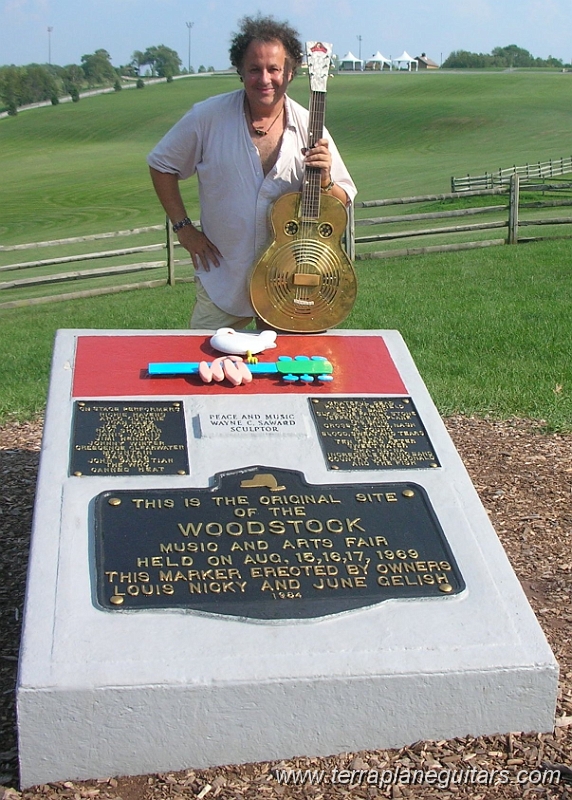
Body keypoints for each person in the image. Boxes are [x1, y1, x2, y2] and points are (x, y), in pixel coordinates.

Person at [147, 14, 357, 329]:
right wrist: (184, 229)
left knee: (290, 374)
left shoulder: (309, 126)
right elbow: (161, 164)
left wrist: (325, 180)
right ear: (240, 70)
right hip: (224, 278)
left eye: (274, 69)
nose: (264, 79)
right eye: (254, 69)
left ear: (290, 71)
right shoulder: (208, 117)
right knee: (207, 369)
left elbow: (343, 199)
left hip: (291, 286)